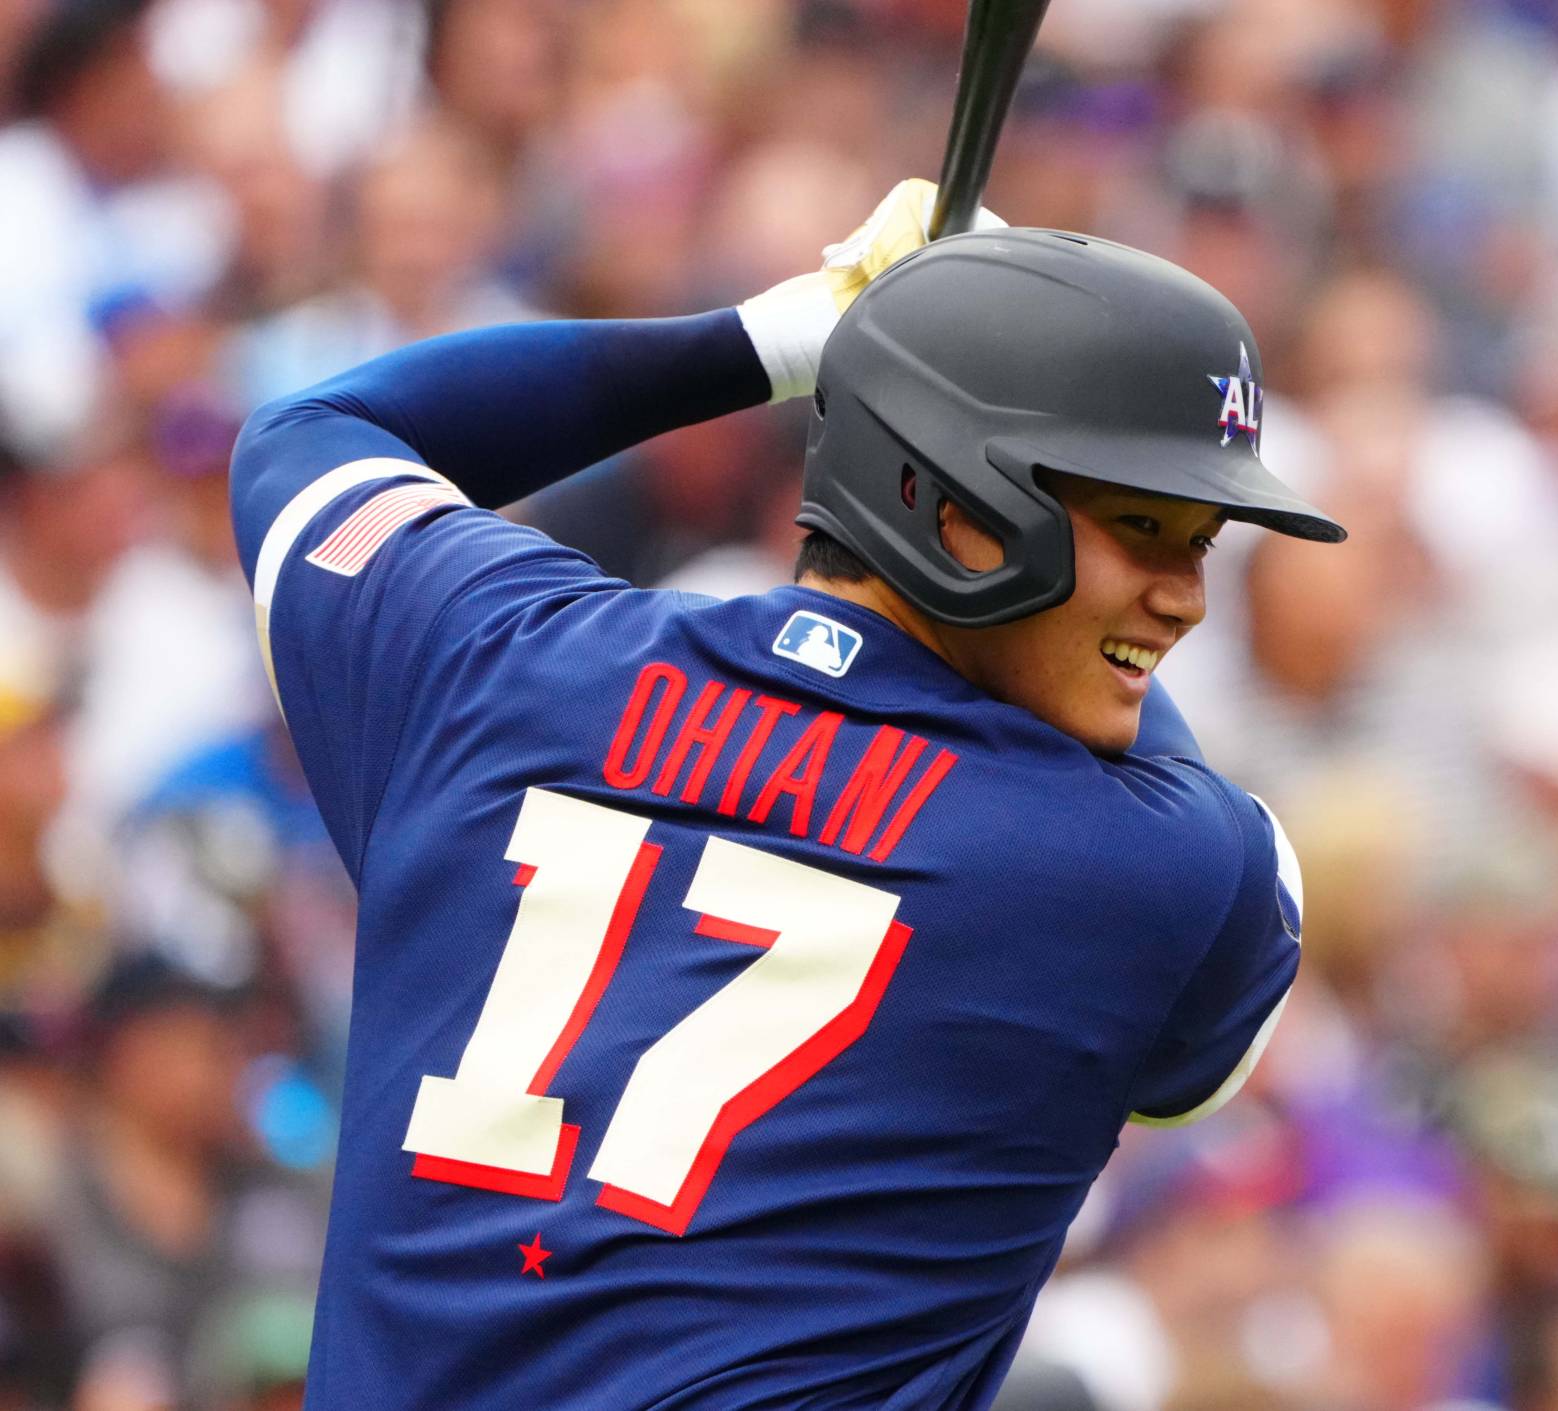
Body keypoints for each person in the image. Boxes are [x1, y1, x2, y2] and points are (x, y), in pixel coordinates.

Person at [227, 178, 1342, 1409]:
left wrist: (778, 340)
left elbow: (316, 428)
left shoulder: (503, 657)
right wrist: (919, 351)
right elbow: (1190, 917)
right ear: (950, 501)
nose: (1185, 598)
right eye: (1139, 526)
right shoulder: (1146, 867)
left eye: (1200, 542)